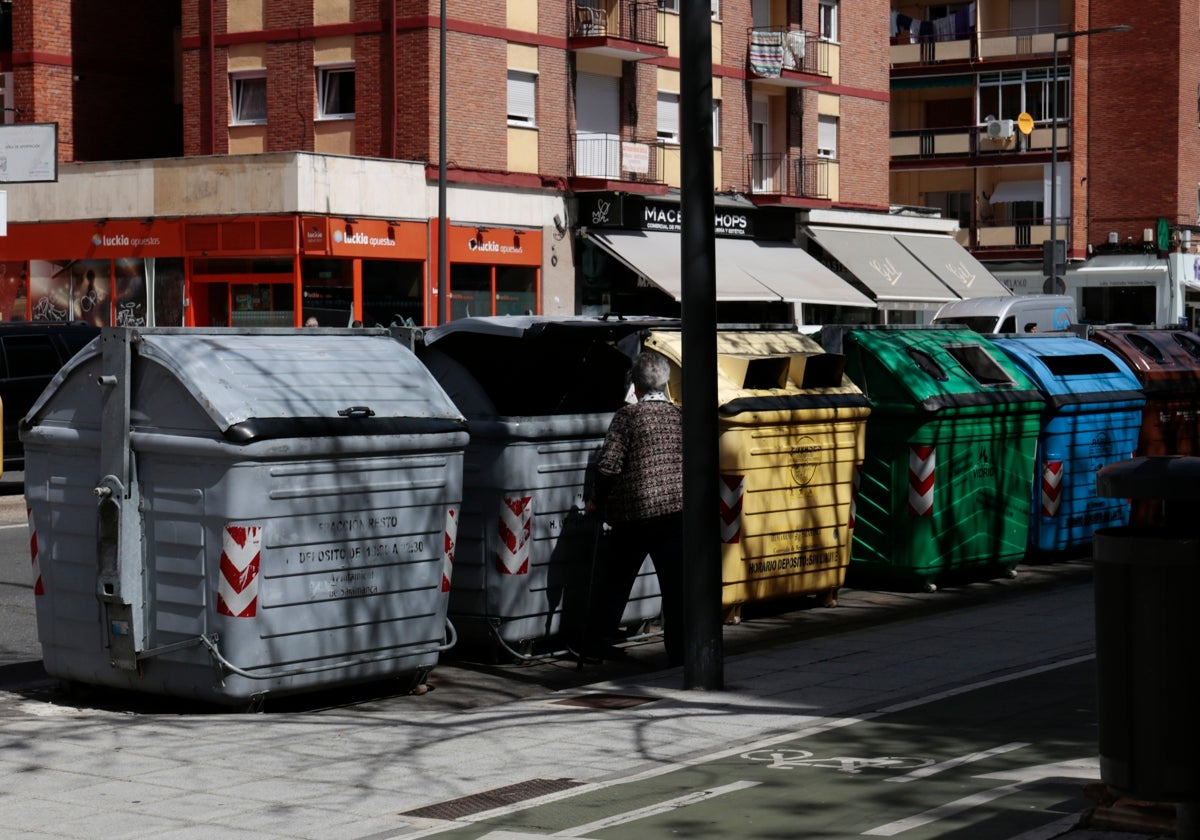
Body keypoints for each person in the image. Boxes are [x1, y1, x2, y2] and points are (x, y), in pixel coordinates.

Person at [585, 351, 685, 666]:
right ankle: (680, 651)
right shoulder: (679, 416)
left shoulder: (628, 417)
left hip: (634, 515)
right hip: (674, 513)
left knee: (615, 580)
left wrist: (595, 500)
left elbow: (610, 465)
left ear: (636, 386)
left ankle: (597, 642)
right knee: (676, 586)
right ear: (666, 383)